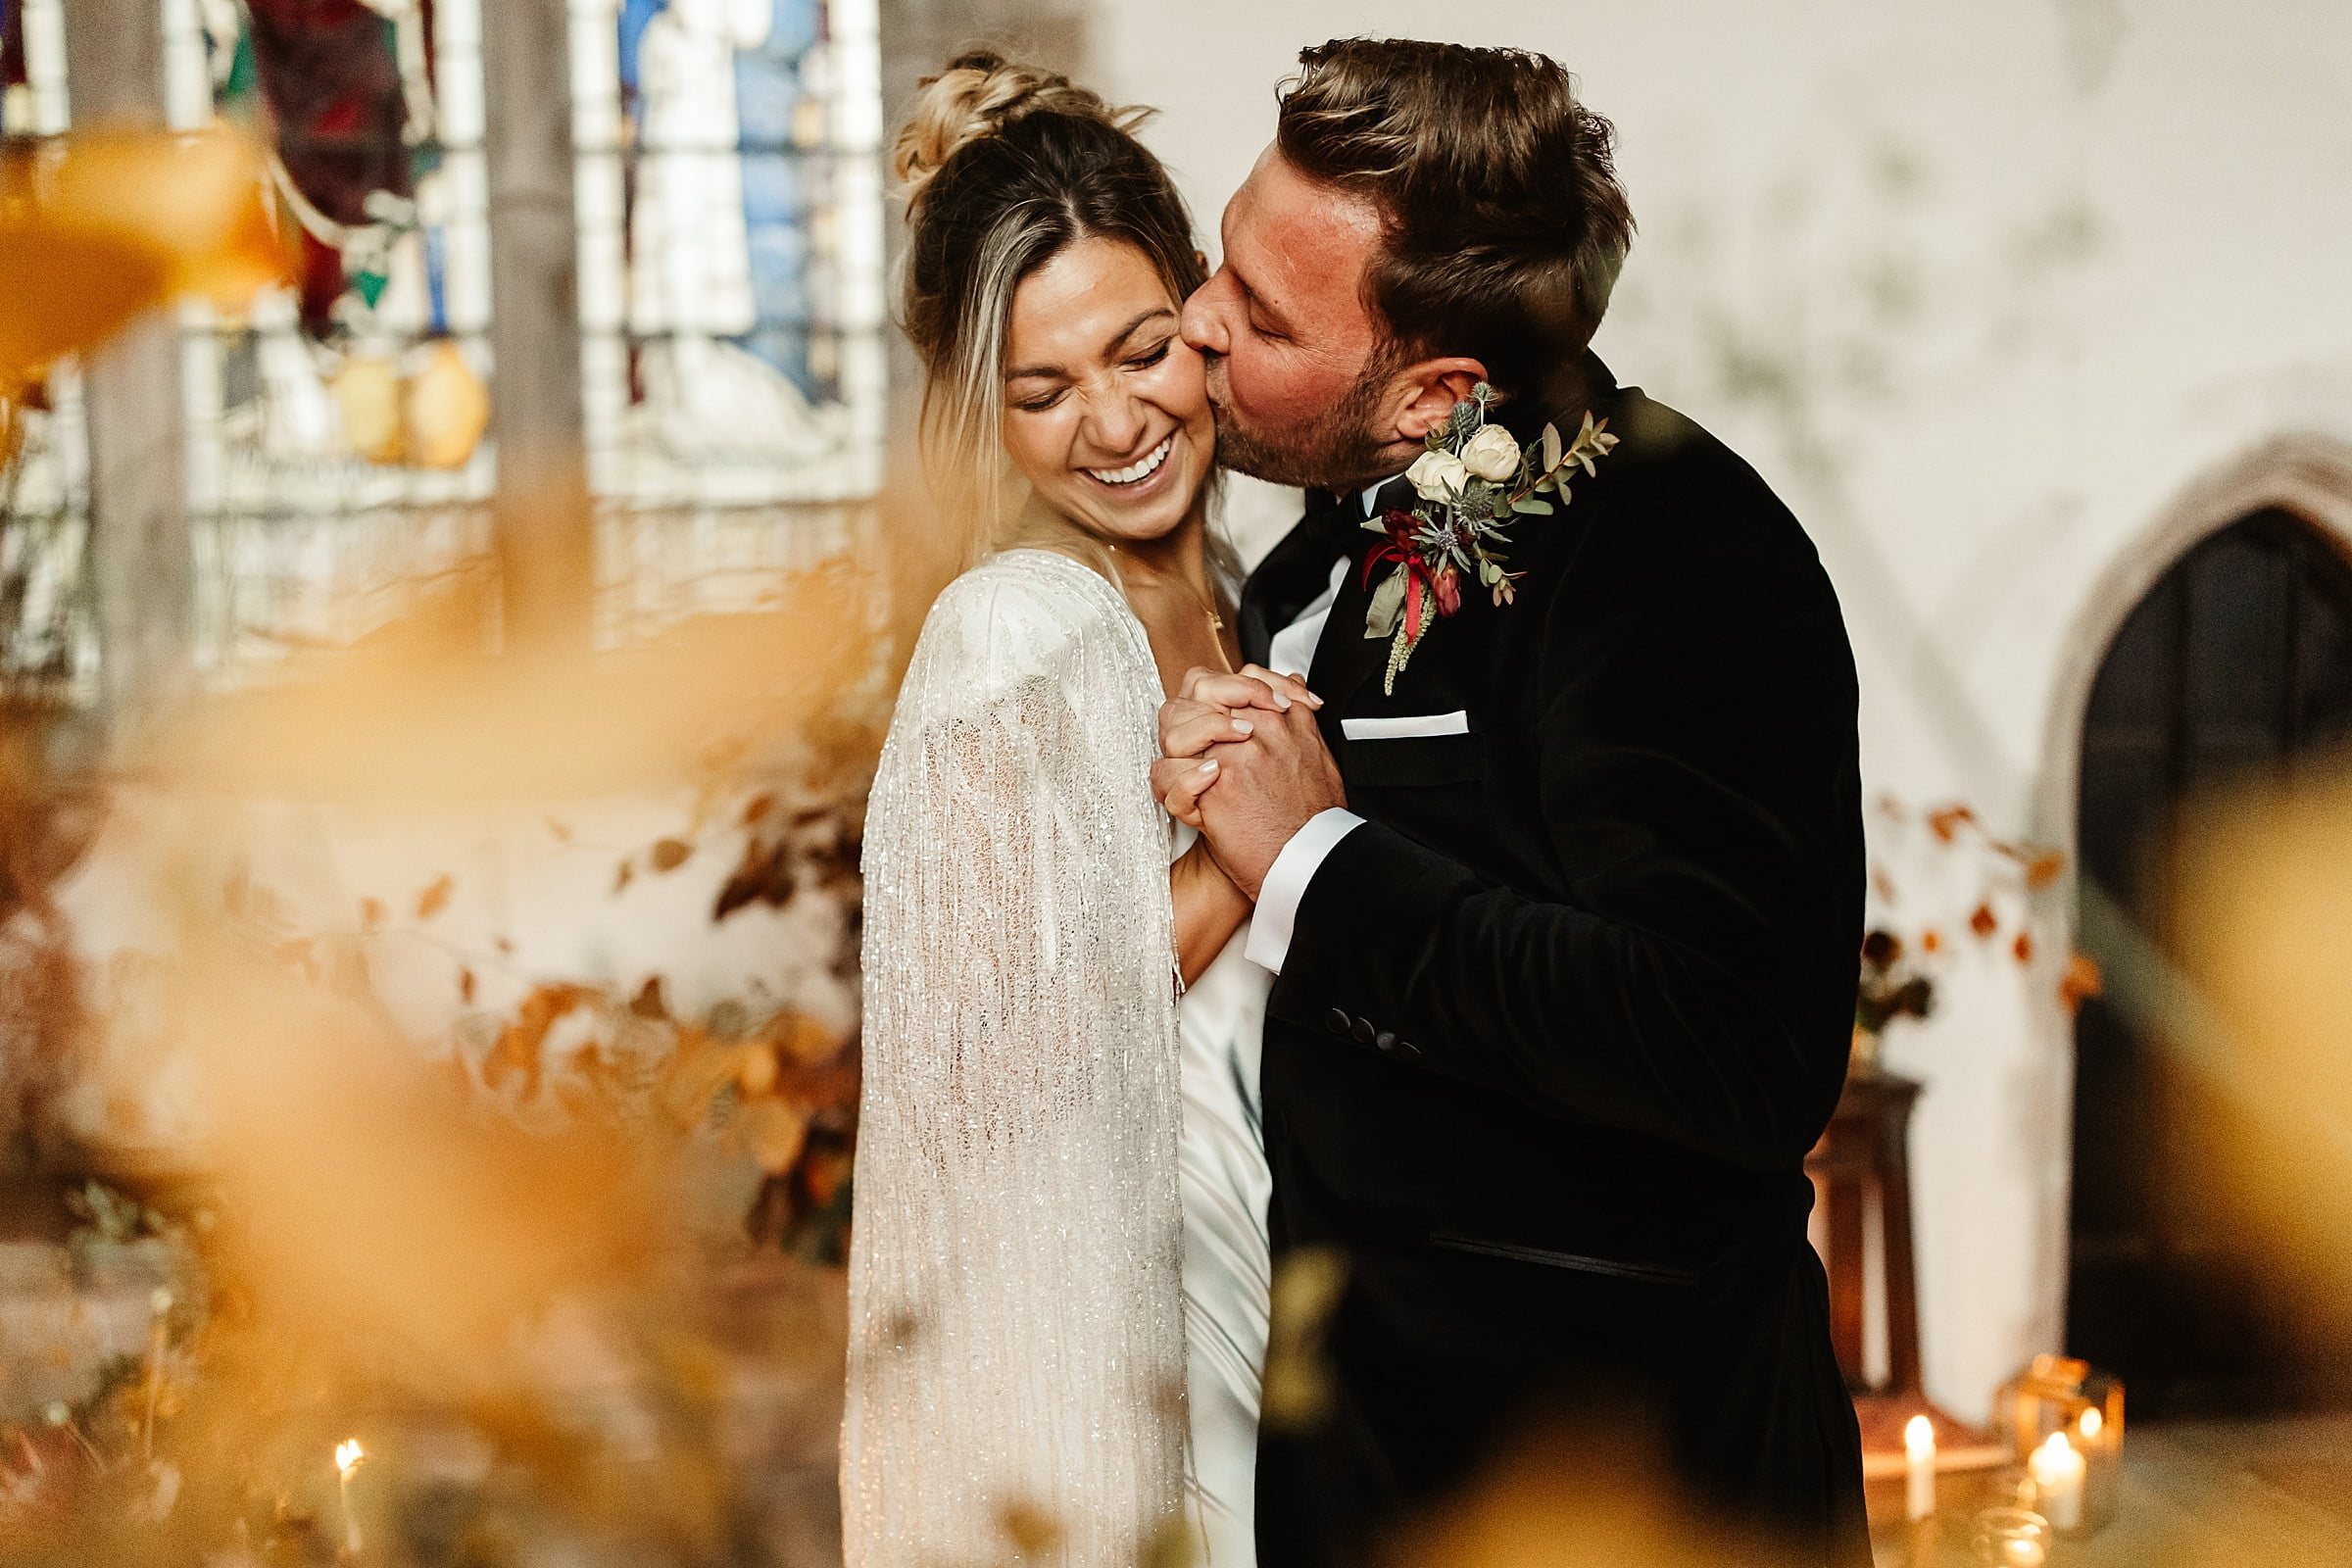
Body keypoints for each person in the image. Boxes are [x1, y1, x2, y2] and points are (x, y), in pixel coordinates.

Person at [1154, 38, 1873, 1568]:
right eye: (1223, 258)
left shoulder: (1684, 550)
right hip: (1365, 1448)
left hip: (1620, 1470)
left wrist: (1314, 861)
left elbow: (1736, 1050)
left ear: (1435, 393)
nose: (1198, 321)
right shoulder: (1329, 537)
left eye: (1263, 313)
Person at [843, 52, 1280, 1568]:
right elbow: (989, 1060)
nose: (1113, 423)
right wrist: (1254, 857)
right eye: (1044, 390)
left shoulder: (1248, 603)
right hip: (1111, 1312)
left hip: (1273, 1251)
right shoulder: (1012, 630)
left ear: (1205, 315)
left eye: (1142, 350)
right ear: (984, 414)